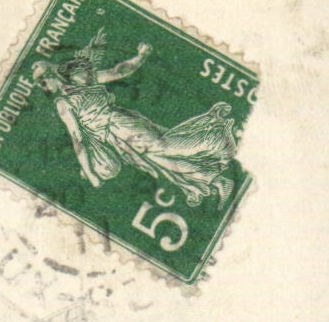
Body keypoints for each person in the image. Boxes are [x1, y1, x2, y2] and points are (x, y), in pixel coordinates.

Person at [32, 28, 237, 208]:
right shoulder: (69, 93)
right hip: (117, 137)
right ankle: (218, 181)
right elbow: (81, 138)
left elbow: (78, 140)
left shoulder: (70, 93)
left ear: (51, 74)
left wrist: (140, 57)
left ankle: (216, 137)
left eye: (42, 81)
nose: (43, 88)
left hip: (121, 125)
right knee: (161, 160)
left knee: (165, 147)